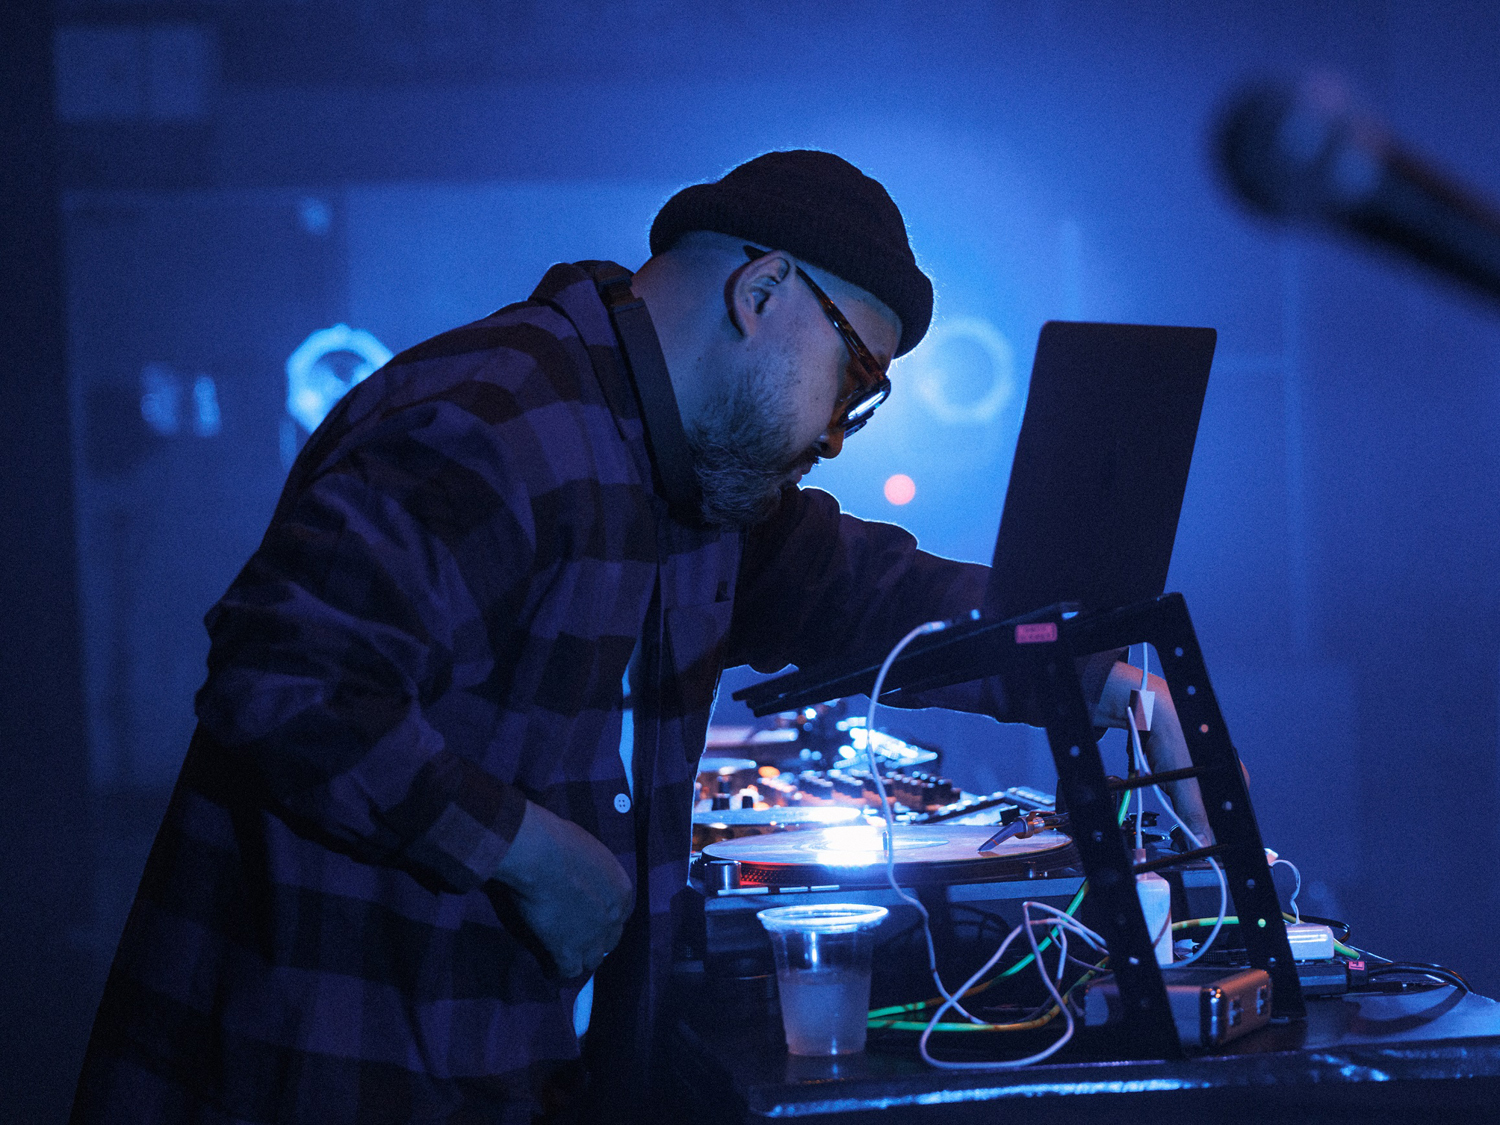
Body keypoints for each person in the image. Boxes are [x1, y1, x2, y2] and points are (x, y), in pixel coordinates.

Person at [71, 150, 1204, 1124]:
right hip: (323, 1074)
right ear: (763, 291)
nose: (838, 435)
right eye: (854, 378)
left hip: (483, 1068)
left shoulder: (683, 474)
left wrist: (1092, 664)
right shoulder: (493, 422)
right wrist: (530, 852)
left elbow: (857, 588)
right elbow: (286, 682)